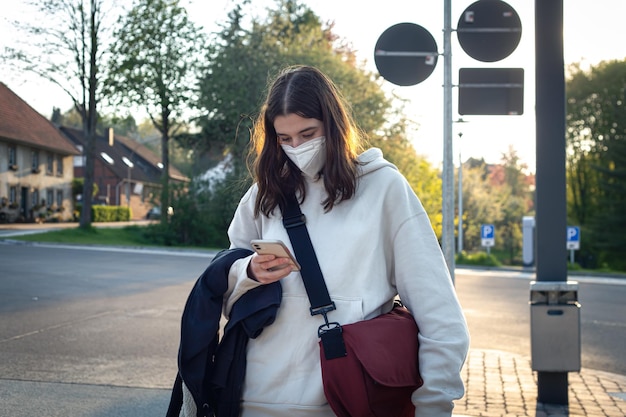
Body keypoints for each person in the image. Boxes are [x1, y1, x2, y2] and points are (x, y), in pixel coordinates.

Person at [178, 65, 470, 417]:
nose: (297, 147)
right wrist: (249, 272)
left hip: (344, 401)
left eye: (307, 133)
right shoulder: (263, 195)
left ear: (333, 126)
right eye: (284, 139)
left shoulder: (384, 190)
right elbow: (223, 297)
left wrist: (433, 406)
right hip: (251, 398)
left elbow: (441, 318)